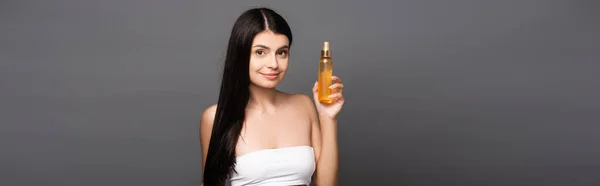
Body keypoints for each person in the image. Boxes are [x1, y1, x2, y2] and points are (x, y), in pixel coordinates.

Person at [199, 7, 345, 186]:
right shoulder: (215, 117)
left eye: (281, 52)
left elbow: (327, 184)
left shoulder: (304, 105)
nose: (273, 64)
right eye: (260, 52)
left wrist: (328, 118)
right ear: (241, 55)